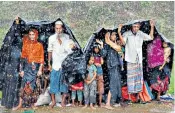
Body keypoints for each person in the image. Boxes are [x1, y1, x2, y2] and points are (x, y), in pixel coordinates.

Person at [118, 20, 155, 103]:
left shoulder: (140, 34)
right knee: (131, 79)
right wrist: (119, 32)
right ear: (132, 26)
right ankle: (131, 98)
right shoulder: (127, 34)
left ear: (139, 27)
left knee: (139, 78)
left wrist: (152, 27)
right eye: (134, 27)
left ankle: (139, 97)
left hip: (138, 59)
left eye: (137, 27)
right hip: (130, 59)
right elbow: (123, 42)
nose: (136, 28)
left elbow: (150, 37)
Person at [13, 29, 44, 110]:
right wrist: (21, 70)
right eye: (30, 34)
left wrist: (40, 70)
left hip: (35, 68)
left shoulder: (39, 45)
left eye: (33, 34)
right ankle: (20, 104)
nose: (31, 36)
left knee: (33, 86)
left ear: (36, 35)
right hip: (26, 67)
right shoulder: (25, 44)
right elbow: (22, 58)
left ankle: (32, 104)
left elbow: (41, 59)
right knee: (23, 85)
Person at [47, 21, 75, 108]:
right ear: (55, 28)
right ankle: (54, 101)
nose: (58, 30)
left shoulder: (67, 37)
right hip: (55, 64)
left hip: (64, 65)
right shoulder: (51, 38)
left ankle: (63, 102)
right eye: (57, 28)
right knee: (53, 83)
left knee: (64, 85)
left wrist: (72, 47)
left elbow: (71, 49)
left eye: (60, 28)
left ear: (62, 28)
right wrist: (49, 63)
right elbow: (49, 51)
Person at [97, 31, 122, 109]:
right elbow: (103, 54)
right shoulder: (107, 45)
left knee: (117, 84)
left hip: (116, 66)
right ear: (109, 36)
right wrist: (102, 45)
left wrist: (108, 41)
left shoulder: (115, 44)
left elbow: (119, 50)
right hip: (111, 66)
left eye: (115, 35)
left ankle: (114, 101)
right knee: (113, 84)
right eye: (113, 35)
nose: (115, 36)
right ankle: (107, 103)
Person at [1, 18, 23, 109]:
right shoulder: (8, 39)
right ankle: (6, 102)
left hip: (14, 62)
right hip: (9, 62)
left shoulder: (16, 40)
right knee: (8, 83)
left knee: (13, 84)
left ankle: (11, 103)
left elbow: (16, 36)